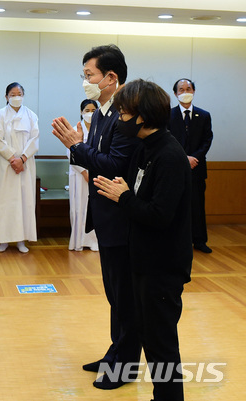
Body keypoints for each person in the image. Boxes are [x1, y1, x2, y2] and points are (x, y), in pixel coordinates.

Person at [94, 79, 192, 401]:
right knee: (151, 340)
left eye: (124, 114)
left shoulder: (169, 155)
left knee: (162, 345)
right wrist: (124, 192)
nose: (119, 119)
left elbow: (159, 215)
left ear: (143, 116)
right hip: (143, 262)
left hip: (162, 267)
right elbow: (139, 197)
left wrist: (123, 197)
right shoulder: (145, 149)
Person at [51, 44, 141, 390]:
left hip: (121, 217)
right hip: (105, 215)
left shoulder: (125, 114)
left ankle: (125, 366)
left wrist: (76, 145)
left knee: (125, 295)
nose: (85, 81)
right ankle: (115, 352)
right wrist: (80, 146)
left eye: (89, 75)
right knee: (114, 294)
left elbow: (114, 165)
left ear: (111, 77)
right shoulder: (103, 113)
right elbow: (97, 160)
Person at [0, 82, 39, 253]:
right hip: (5, 165)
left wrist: (21, 159)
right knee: (3, 202)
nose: (16, 97)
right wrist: (12, 158)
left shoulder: (31, 115)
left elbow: (35, 140)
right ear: (6, 96)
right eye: (13, 94)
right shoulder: (0, 114)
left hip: (24, 165)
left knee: (24, 201)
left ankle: (21, 240)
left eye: (19, 93)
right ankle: (3, 240)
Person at [168, 79, 214, 253]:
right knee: (175, 205)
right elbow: (167, 140)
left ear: (194, 91)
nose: (185, 91)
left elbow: (207, 140)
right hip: (175, 168)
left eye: (188, 88)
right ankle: (175, 240)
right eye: (181, 89)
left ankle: (200, 240)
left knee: (197, 206)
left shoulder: (203, 115)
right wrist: (183, 158)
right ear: (175, 93)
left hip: (197, 168)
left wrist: (194, 157)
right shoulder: (168, 115)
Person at [67, 99, 99, 252]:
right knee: (79, 207)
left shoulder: (101, 129)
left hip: (97, 174)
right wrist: (85, 172)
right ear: (81, 112)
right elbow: (71, 152)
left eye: (93, 110)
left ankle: (93, 241)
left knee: (94, 208)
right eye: (87, 110)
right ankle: (78, 241)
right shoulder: (75, 130)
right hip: (79, 175)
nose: (90, 114)